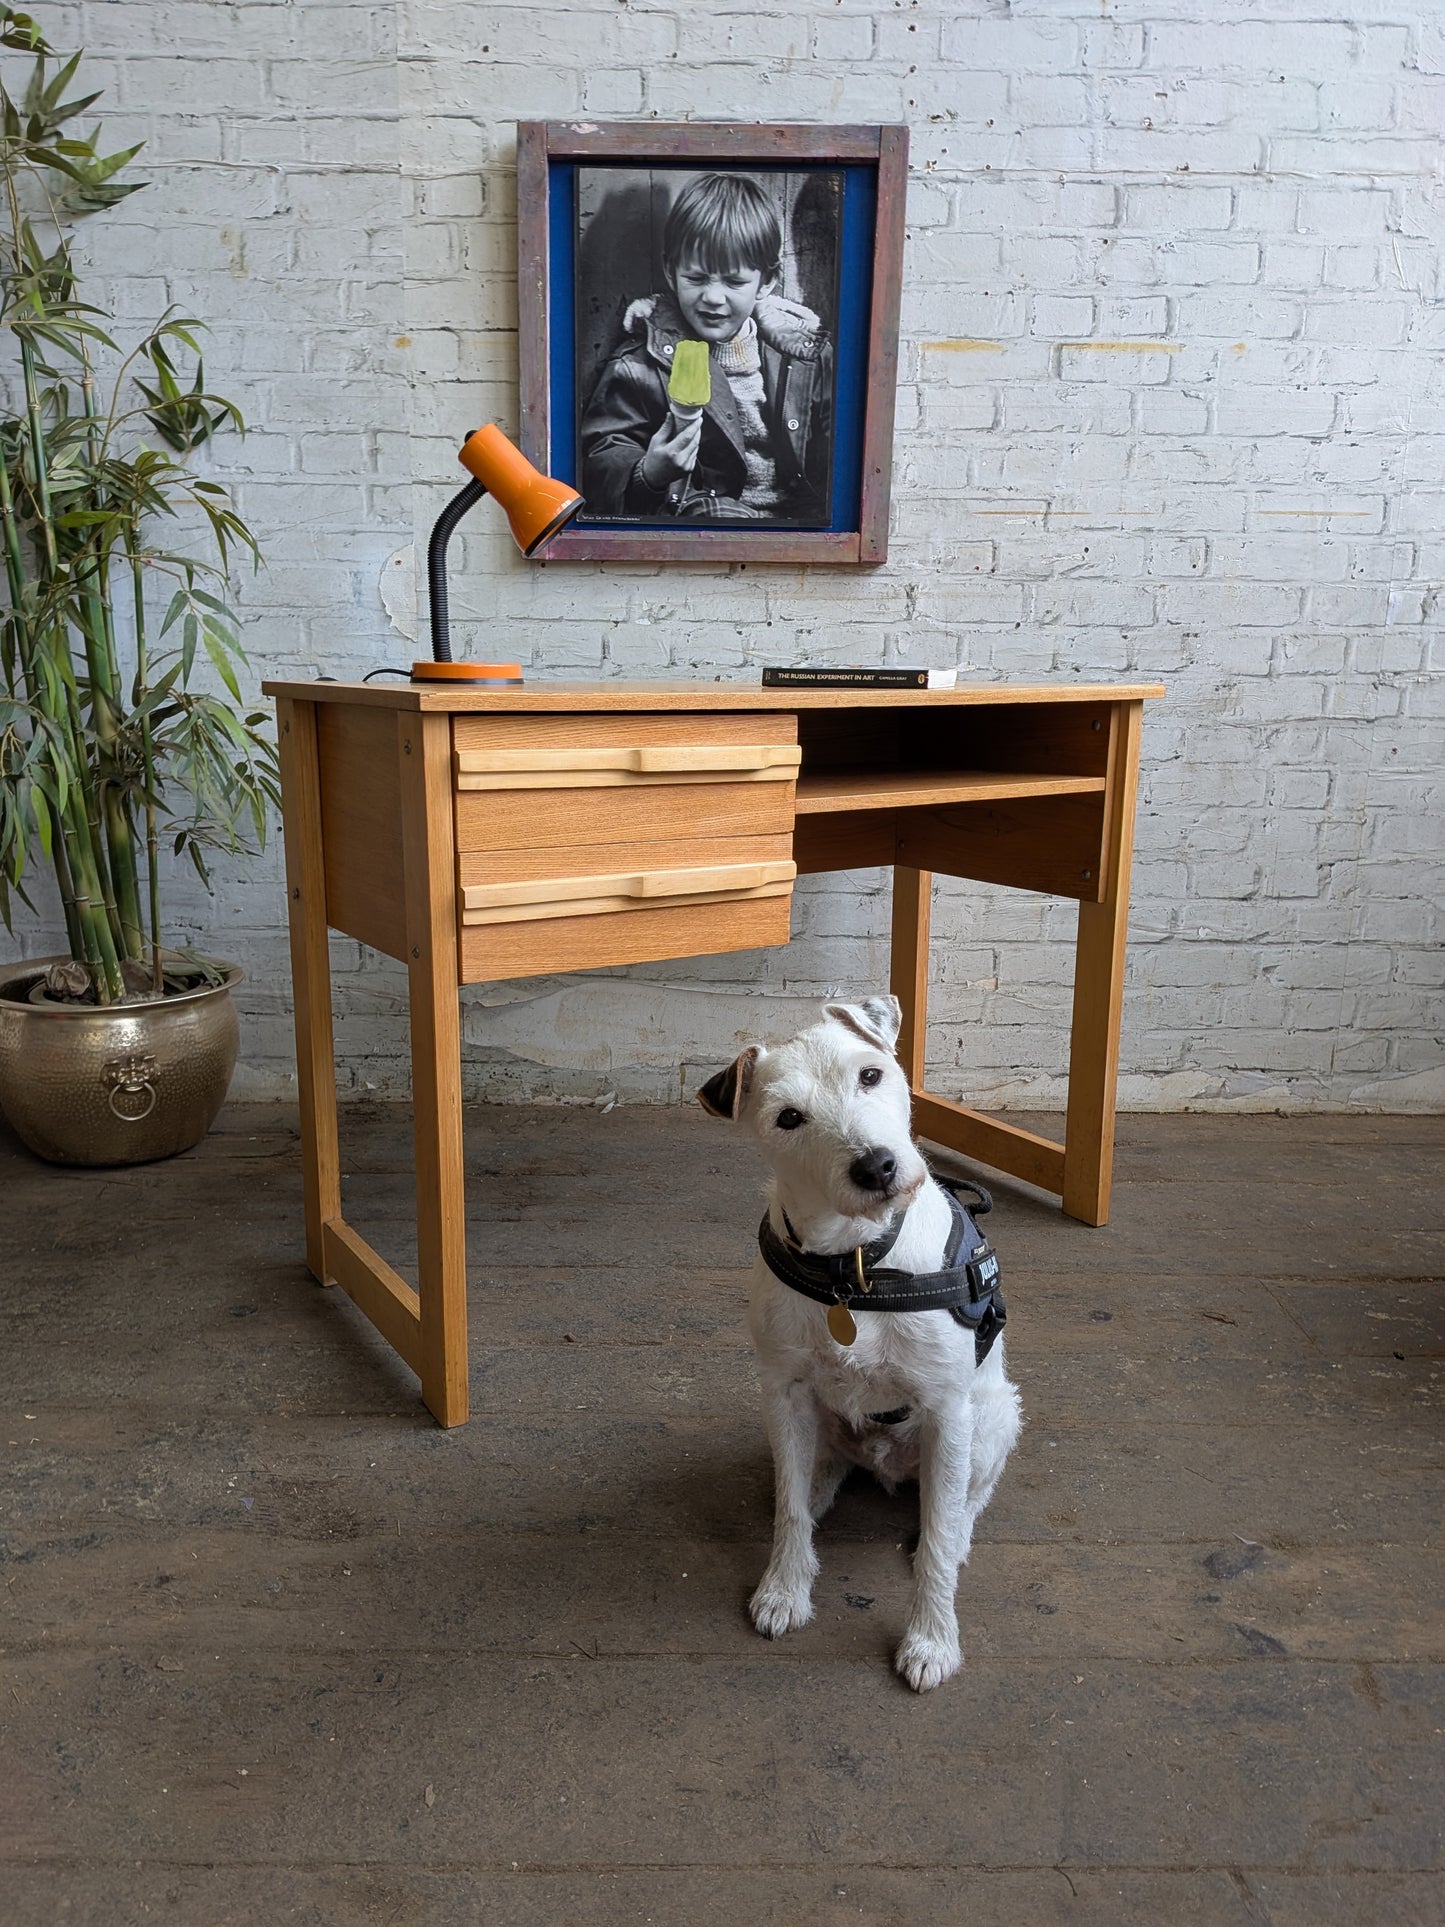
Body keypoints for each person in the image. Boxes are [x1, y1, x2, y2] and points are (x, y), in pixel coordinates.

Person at [580, 172, 832, 522]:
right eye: (696, 278)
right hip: (707, 525)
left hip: (795, 526)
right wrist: (648, 473)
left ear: (766, 282)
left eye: (734, 281)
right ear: (671, 271)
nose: (713, 297)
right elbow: (601, 460)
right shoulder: (640, 366)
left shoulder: (805, 356)